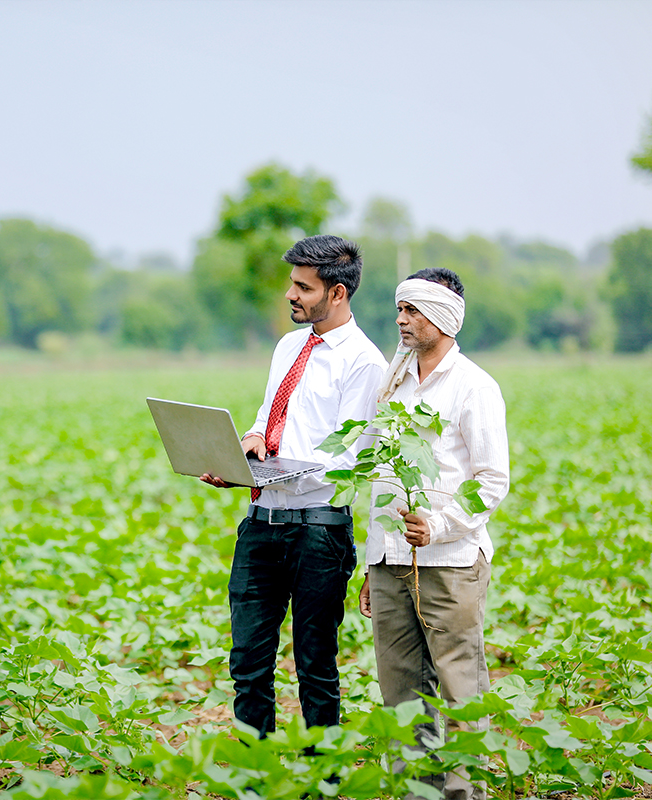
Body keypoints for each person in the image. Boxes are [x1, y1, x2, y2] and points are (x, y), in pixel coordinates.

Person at [201, 234, 387, 736]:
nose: (291, 295)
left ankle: (320, 780)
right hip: (261, 523)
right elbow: (268, 417)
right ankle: (253, 772)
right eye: (292, 284)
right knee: (247, 664)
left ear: (337, 294)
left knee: (316, 668)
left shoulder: (365, 363)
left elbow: (348, 460)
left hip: (318, 532)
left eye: (303, 287)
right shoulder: (288, 347)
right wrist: (246, 448)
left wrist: (277, 469)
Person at [357, 267, 510, 800]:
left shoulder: (474, 387)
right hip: (391, 559)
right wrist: (372, 561)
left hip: (451, 562)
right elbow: (377, 471)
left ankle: (465, 794)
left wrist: (441, 524)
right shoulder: (393, 379)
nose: (401, 320)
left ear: (444, 317)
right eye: (399, 309)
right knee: (400, 692)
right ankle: (415, 792)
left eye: (413, 310)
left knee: (460, 688)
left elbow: (492, 481)